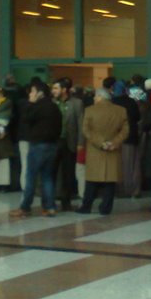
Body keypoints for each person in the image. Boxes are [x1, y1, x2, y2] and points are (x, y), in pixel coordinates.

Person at [11, 79, 63, 217]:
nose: (30, 94)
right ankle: (49, 207)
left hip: (37, 145)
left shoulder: (38, 106)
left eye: (33, 92)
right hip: (52, 146)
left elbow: (26, 119)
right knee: (47, 177)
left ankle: (25, 207)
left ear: (39, 93)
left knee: (31, 177)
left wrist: (30, 103)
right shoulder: (54, 107)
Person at [78, 88, 129, 215]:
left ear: (101, 97)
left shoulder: (89, 110)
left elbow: (86, 131)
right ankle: (106, 208)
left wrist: (101, 143)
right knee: (110, 182)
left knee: (91, 181)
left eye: (96, 97)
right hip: (113, 150)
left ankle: (86, 206)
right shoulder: (121, 110)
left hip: (95, 150)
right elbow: (125, 130)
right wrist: (114, 142)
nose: (94, 99)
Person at [53, 77, 84, 211]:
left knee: (68, 173)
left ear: (64, 90)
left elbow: (80, 124)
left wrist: (80, 143)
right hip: (54, 141)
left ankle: (66, 200)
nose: (53, 91)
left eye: (55, 88)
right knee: (51, 171)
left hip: (69, 142)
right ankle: (51, 199)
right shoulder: (51, 103)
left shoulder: (76, 103)